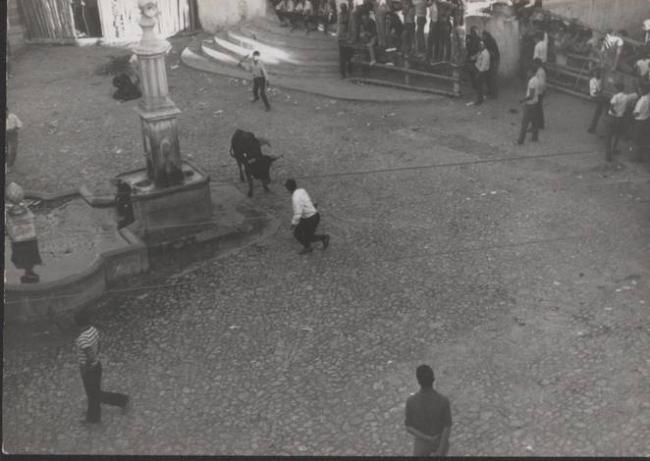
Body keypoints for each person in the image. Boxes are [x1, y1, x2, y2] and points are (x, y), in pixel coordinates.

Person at [74, 310, 130, 424]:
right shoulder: (93, 330)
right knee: (93, 393)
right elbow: (98, 344)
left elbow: (89, 355)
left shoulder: (82, 339)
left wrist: (86, 368)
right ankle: (93, 417)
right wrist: (96, 356)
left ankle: (122, 400)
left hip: (90, 369)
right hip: (97, 366)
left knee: (94, 394)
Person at [404, 365, 452, 457]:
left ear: (418, 381)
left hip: (422, 444)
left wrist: (427, 438)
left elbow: (408, 427)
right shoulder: (443, 400)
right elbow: (447, 427)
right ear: (433, 379)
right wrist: (439, 451)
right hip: (439, 441)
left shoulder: (411, 401)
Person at [6, 182, 42, 284]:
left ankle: (29, 278)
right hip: (29, 241)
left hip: (19, 243)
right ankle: (30, 277)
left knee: (24, 258)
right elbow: (31, 216)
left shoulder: (10, 212)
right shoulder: (24, 209)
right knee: (28, 258)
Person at [285, 179, 330, 255]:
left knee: (306, 236)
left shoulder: (295, 198)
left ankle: (323, 238)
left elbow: (297, 213)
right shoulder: (301, 190)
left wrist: (293, 224)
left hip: (310, 218)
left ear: (288, 189)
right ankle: (307, 247)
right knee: (299, 233)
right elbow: (307, 200)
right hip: (312, 216)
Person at [605, 82, 637, 162]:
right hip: (620, 118)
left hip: (612, 117)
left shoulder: (615, 97)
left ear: (617, 89)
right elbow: (636, 94)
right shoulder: (626, 97)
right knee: (617, 134)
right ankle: (615, 148)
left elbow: (611, 108)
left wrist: (615, 113)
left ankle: (608, 155)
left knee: (609, 136)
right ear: (623, 89)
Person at [516, 67, 540, 145]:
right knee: (534, 121)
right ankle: (535, 137)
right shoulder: (537, 79)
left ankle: (520, 140)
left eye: (529, 72)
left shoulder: (531, 81)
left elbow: (531, 95)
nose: (527, 73)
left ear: (532, 72)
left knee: (524, 123)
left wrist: (523, 100)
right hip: (536, 103)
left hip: (530, 104)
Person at [632, 84, 650, 162]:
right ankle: (640, 156)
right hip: (645, 119)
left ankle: (636, 157)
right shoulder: (648, 97)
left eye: (640, 89)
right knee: (642, 139)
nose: (639, 90)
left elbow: (637, 113)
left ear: (644, 90)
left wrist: (632, 114)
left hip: (639, 120)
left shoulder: (643, 100)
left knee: (636, 139)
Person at [587, 68, 606, 134]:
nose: (598, 74)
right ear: (594, 74)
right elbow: (595, 92)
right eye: (596, 73)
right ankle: (592, 127)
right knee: (598, 112)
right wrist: (601, 92)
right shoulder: (592, 81)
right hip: (595, 96)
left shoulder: (600, 79)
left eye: (599, 73)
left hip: (599, 95)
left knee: (599, 111)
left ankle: (593, 126)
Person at [337, 3, 353, 78]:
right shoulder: (341, 15)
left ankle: (348, 71)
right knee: (342, 57)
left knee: (348, 56)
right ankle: (343, 73)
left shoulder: (349, 15)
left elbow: (349, 25)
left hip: (347, 37)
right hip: (341, 37)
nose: (342, 9)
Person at [482, 30, 500, 98]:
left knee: (493, 77)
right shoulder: (487, 41)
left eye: (483, 36)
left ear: (486, 36)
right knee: (488, 77)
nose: (482, 37)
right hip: (491, 61)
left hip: (494, 61)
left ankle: (494, 94)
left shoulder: (491, 41)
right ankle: (490, 91)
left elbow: (492, 53)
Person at [473, 40, 490, 105]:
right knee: (478, 85)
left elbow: (483, 66)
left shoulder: (486, 54)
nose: (479, 46)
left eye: (481, 45)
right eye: (479, 45)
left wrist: (478, 74)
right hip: (478, 69)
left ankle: (479, 100)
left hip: (482, 71)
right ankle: (480, 98)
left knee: (479, 86)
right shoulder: (481, 52)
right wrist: (473, 57)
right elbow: (476, 57)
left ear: (484, 46)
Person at [533, 57, 546, 129]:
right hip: (541, 92)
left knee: (538, 108)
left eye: (534, 64)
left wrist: (537, 91)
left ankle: (539, 124)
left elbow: (541, 83)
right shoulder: (541, 71)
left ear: (537, 64)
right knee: (539, 108)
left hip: (539, 92)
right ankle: (540, 124)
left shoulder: (540, 72)